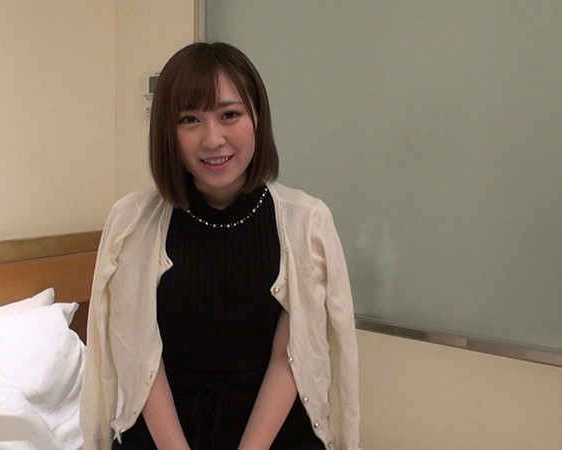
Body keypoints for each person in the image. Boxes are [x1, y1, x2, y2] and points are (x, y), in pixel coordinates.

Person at [80, 42, 360, 450]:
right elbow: (139, 355)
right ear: (168, 133)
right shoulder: (132, 223)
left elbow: (289, 357)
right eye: (189, 119)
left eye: (230, 114)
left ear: (257, 117)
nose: (213, 139)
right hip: (164, 431)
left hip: (272, 430)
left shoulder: (306, 223)